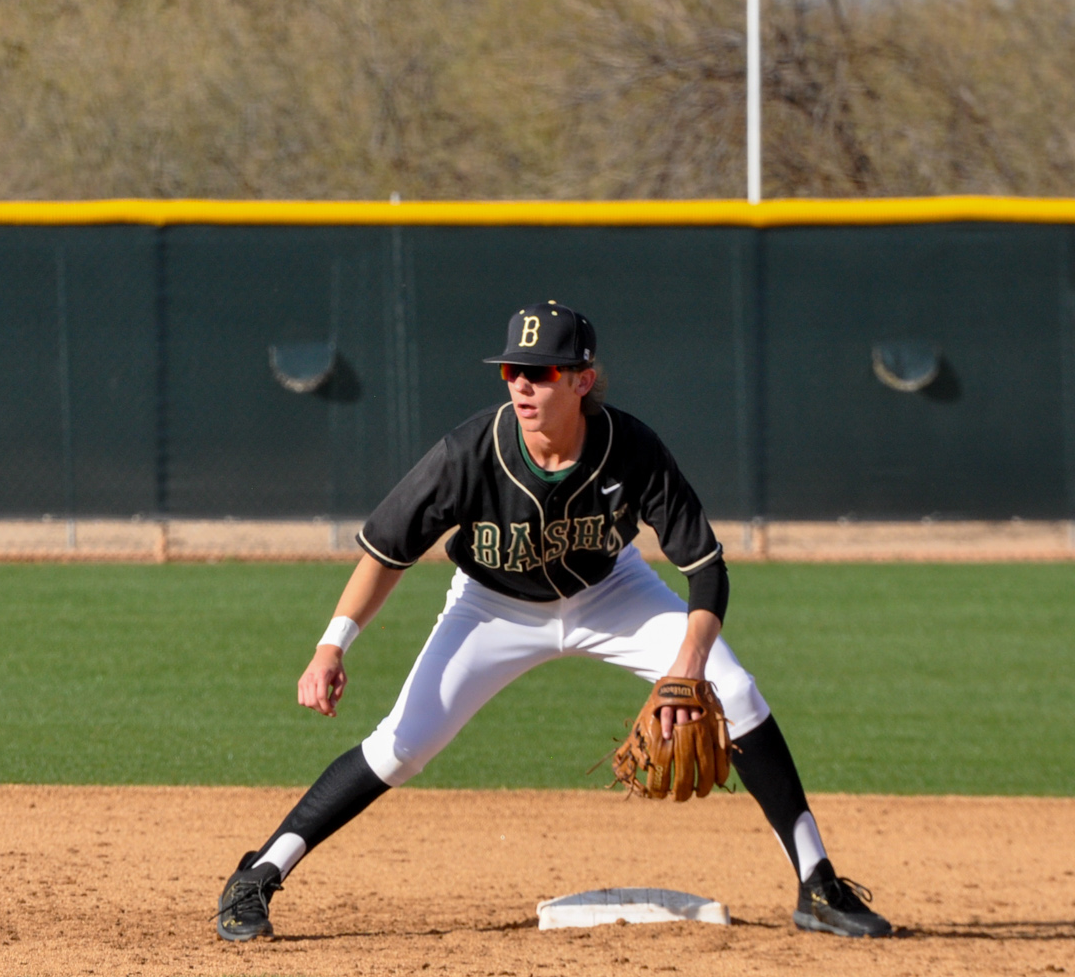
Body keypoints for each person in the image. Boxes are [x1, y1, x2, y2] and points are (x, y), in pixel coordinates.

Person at [215, 300, 892, 941]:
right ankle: (259, 873)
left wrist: (688, 670)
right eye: (513, 371)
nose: (523, 385)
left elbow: (706, 568)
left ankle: (819, 887)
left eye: (540, 372)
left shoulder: (631, 447)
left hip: (613, 591)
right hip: (492, 606)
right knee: (402, 746)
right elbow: (387, 551)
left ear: (582, 379)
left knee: (736, 691)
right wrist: (332, 645)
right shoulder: (469, 453)